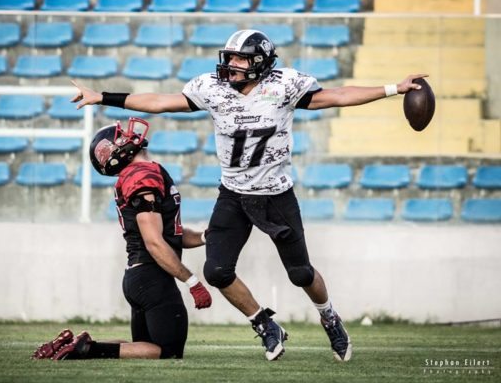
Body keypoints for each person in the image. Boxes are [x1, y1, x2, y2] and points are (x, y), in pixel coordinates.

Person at [70, 29, 427, 362]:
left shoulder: (284, 85)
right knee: (217, 271)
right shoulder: (213, 88)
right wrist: (102, 96)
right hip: (234, 195)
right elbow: (160, 102)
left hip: (275, 195)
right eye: (230, 57)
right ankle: (264, 323)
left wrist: (393, 88)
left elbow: (337, 96)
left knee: (301, 273)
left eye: (240, 59)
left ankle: (329, 317)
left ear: (260, 63)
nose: (231, 65)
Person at [32, 117, 212, 361]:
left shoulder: (140, 173)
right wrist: (192, 282)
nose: (128, 135)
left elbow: (172, 234)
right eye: (119, 138)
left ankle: (76, 345)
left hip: (140, 277)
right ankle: (84, 351)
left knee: (143, 347)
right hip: (151, 277)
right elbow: (154, 241)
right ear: (115, 153)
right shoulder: (143, 174)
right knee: (168, 352)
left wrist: (204, 236)